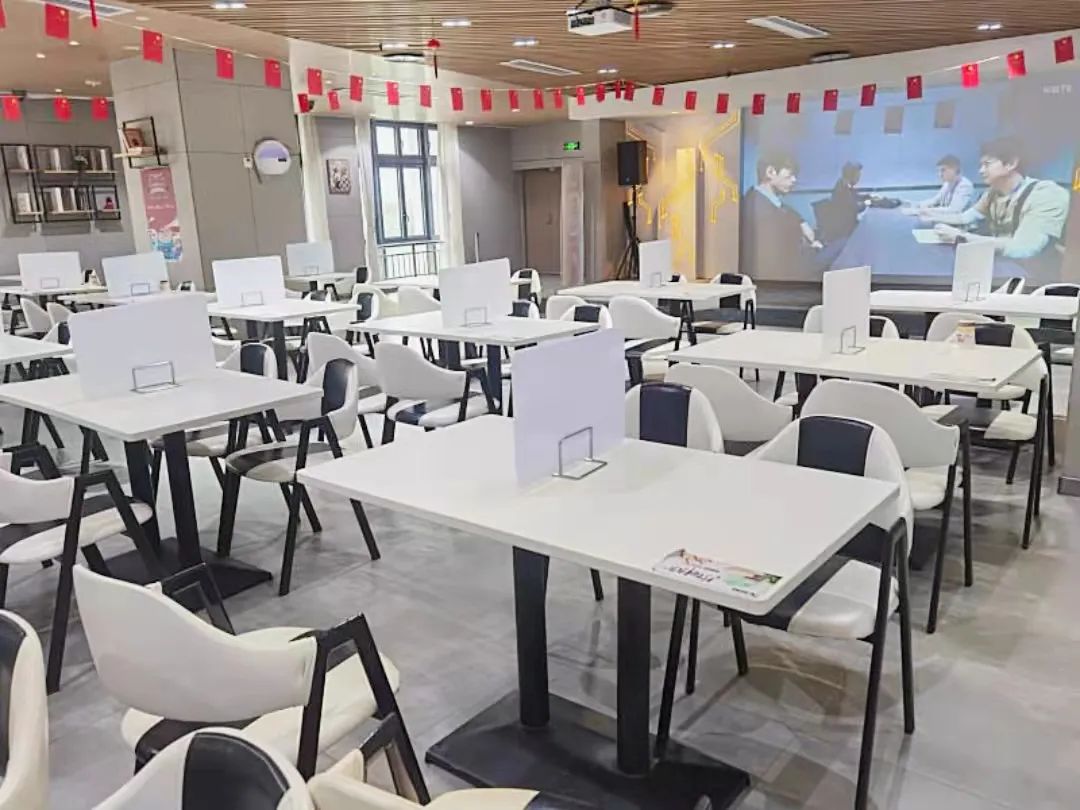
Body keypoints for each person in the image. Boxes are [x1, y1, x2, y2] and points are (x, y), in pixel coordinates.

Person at [922, 137, 1069, 274]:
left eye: (987, 164)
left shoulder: (1046, 194)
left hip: (1035, 276)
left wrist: (961, 237)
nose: (981, 171)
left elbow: (1024, 248)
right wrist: (931, 217)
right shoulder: (993, 193)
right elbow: (965, 217)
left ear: (1010, 164)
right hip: (1004, 267)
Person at [741, 151, 843, 279]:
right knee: (841, 247)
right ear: (770, 172)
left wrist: (801, 221)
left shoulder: (764, 199)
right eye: (790, 175)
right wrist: (811, 249)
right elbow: (781, 259)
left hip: (792, 266)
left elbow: (784, 210)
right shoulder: (759, 209)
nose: (794, 180)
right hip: (788, 276)